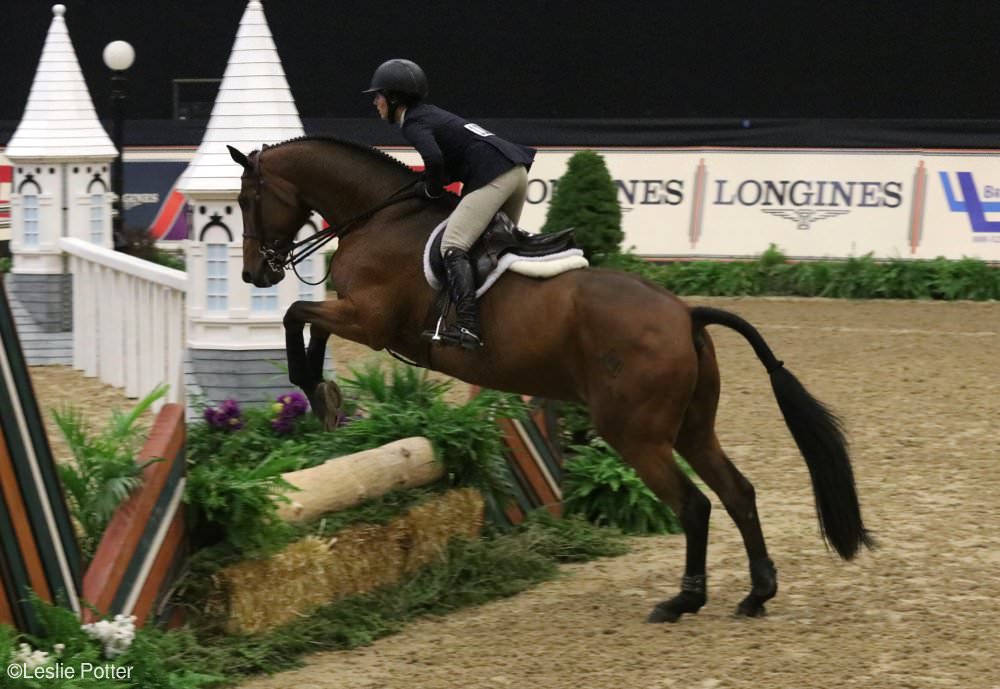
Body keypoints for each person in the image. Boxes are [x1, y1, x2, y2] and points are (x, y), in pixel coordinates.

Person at [364, 58, 536, 350]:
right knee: (494, 249)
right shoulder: (429, 114)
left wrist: (431, 190)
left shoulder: (414, 122)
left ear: (394, 98)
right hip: (515, 172)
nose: (375, 102)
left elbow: (433, 159)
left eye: (378, 96)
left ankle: (468, 326)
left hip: (495, 176)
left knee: (452, 245)